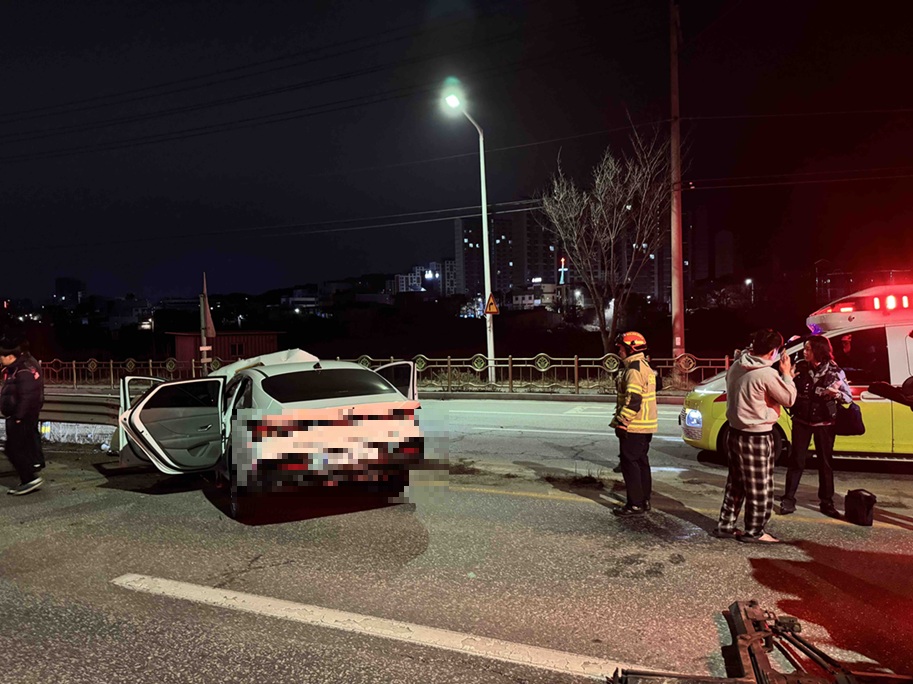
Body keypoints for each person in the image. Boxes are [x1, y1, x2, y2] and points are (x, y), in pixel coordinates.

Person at [712, 329, 797, 543]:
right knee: (760, 487)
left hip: (735, 433)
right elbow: (788, 399)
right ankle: (754, 531)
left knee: (736, 483)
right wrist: (787, 374)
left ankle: (726, 525)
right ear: (773, 351)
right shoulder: (765, 373)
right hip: (757, 435)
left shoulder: (737, 366)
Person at [779, 335, 852, 518]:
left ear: (819, 350)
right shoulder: (800, 367)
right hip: (801, 421)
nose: (804, 352)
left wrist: (836, 394)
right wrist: (788, 377)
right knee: (796, 460)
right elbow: (785, 388)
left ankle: (827, 502)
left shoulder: (835, 371)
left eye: (808, 349)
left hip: (825, 423)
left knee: (825, 463)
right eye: (805, 349)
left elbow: (848, 398)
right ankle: (788, 499)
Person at [609, 331, 658, 516]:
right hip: (645, 425)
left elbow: (634, 400)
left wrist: (623, 422)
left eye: (621, 348)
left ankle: (634, 504)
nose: (619, 351)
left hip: (634, 426)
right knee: (641, 463)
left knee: (630, 465)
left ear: (631, 349)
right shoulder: (644, 366)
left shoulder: (634, 370)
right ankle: (644, 500)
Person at [1, 336, 46, 495]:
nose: (0, 359)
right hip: (17, 416)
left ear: (10, 356)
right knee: (16, 448)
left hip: (21, 417)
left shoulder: (23, 370)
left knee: (13, 449)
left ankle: (29, 478)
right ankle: (29, 474)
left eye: (2, 356)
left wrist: (19, 416)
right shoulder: (15, 369)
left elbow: (28, 396)